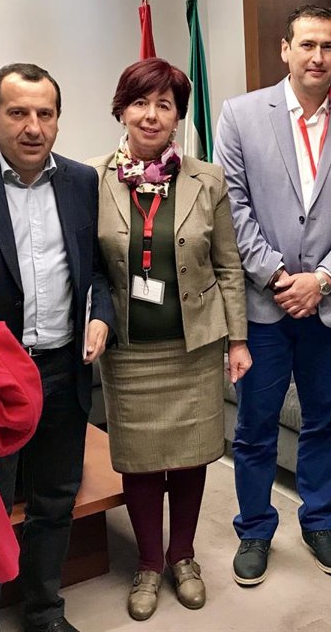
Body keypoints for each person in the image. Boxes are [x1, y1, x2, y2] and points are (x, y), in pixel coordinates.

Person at [216, 4, 331, 586]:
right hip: (265, 307)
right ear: (285, 49)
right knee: (255, 425)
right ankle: (255, 530)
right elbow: (232, 207)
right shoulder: (240, 115)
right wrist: (278, 277)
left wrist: (323, 280)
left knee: (323, 421)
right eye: (307, 44)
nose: (318, 56)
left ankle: (319, 523)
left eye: (329, 46)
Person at [0, 63, 115, 632]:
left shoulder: (81, 181)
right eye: (18, 112)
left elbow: (96, 269)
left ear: (58, 120)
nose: (32, 127)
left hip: (64, 369)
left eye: (45, 114)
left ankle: (45, 611)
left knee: (55, 499)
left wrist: (101, 315)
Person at [87, 57, 251, 621]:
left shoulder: (208, 180)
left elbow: (228, 266)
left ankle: (183, 557)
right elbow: (89, 267)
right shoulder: (91, 179)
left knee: (188, 458)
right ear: (121, 111)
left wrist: (237, 340)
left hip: (194, 346)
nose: (151, 115)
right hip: (129, 350)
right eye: (140, 103)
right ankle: (148, 563)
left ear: (179, 115)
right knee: (138, 461)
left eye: (164, 104)